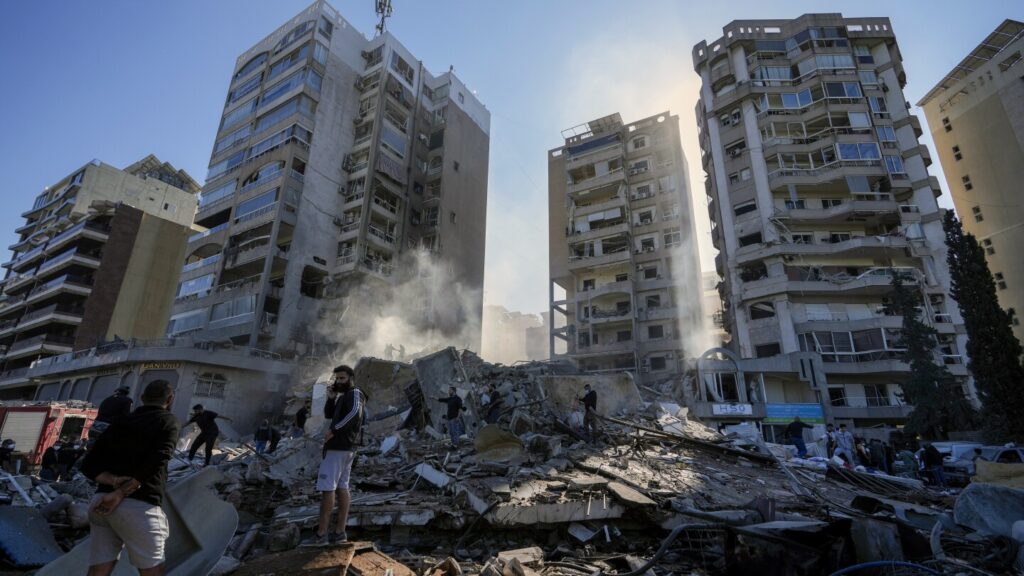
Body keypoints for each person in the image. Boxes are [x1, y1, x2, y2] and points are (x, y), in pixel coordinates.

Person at [80, 379, 179, 576]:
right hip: (138, 507)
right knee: (153, 569)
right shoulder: (168, 421)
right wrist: (119, 492)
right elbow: (159, 458)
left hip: (101, 503)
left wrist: (113, 481)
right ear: (170, 399)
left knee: (100, 566)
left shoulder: (120, 422)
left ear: (142, 398)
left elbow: (87, 465)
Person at [310, 364, 365, 546]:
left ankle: (322, 534)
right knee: (342, 487)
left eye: (342, 378)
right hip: (343, 447)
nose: (339, 381)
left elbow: (354, 415)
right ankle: (339, 534)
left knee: (328, 489)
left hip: (340, 447)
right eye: (337, 378)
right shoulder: (343, 396)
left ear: (350, 377)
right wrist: (331, 399)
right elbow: (328, 414)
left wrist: (334, 430)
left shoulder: (355, 393)